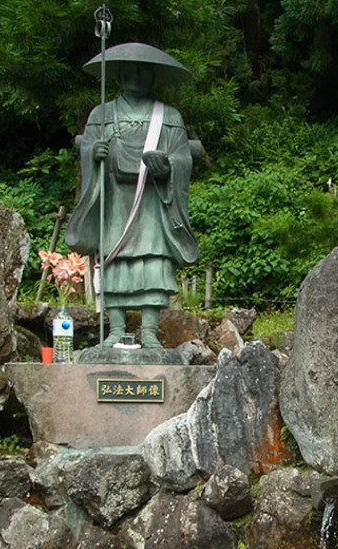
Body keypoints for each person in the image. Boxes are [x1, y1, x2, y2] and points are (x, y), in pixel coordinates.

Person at [65, 45, 198, 348]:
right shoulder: (102, 113)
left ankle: (150, 330)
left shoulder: (169, 117)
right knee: (115, 257)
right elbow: (87, 147)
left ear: (153, 76)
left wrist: (167, 168)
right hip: (114, 198)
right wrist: (93, 153)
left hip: (151, 200)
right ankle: (115, 328)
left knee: (153, 259)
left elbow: (182, 158)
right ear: (120, 74)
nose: (137, 76)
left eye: (143, 70)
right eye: (131, 70)